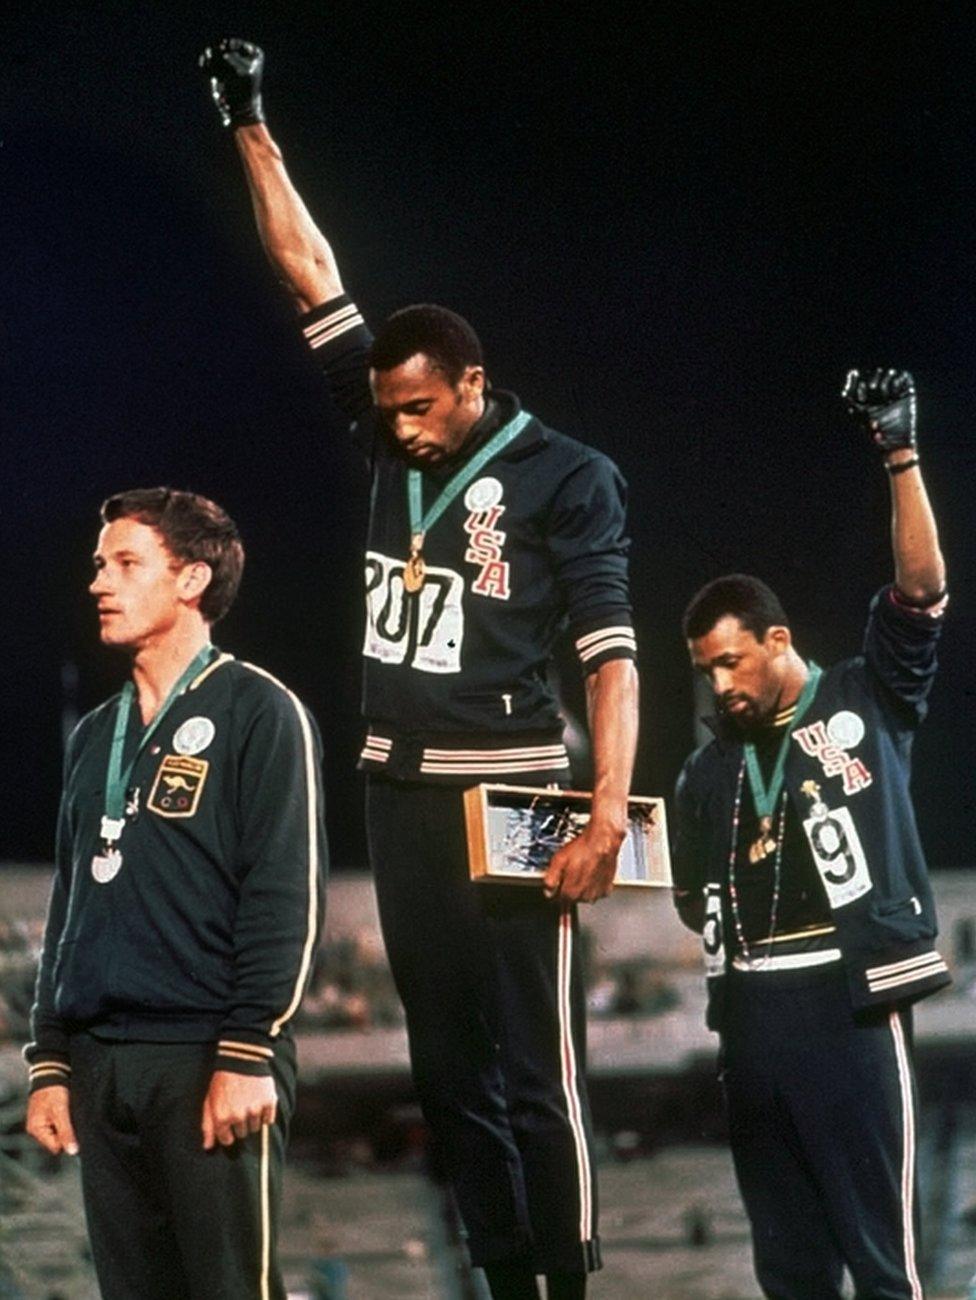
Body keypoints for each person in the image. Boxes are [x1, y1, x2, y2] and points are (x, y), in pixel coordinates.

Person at [200, 39, 639, 1299]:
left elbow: (609, 655)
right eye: (385, 411)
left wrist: (606, 809)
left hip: (513, 795)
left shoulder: (570, 476)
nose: (393, 430)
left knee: (535, 1067)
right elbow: (312, 276)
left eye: (418, 411)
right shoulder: (388, 428)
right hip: (398, 791)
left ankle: (569, 1279)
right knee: (447, 1074)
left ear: (474, 384)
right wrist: (250, 122)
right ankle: (504, 1277)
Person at [673, 369, 949, 1299]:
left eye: (732, 662)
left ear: (779, 640)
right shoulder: (705, 773)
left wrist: (899, 453)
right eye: (706, 672)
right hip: (748, 1020)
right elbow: (682, 893)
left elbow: (920, 590)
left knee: (882, 1262)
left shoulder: (864, 698)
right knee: (788, 1270)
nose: (720, 687)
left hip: (849, 1003)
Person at [24, 487, 327, 1300]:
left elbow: (283, 896)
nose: (99, 583)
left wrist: (247, 1049)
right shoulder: (94, 737)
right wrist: (51, 1058)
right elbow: (69, 909)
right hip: (99, 1064)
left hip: (207, 1058)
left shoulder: (262, 712)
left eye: (126, 564)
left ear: (191, 579)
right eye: (98, 565)